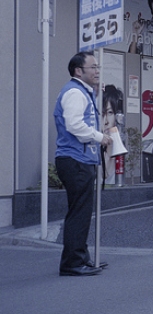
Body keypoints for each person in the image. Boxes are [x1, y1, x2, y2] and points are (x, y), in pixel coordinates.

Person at [54, 51, 112, 276]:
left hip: (79, 159)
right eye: (93, 68)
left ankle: (81, 256)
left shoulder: (82, 92)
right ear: (79, 71)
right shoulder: (75, 93)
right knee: (79, 212)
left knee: (81, 211)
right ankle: (72, 262)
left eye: (98, 68)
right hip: (75, 159)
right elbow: (74, 125)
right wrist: (100, 137)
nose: (97, 71)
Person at [101, 84, 124, 184]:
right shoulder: (92, 147)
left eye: (110, 113)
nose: (106, 121)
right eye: (102, 114)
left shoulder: (121, 145)